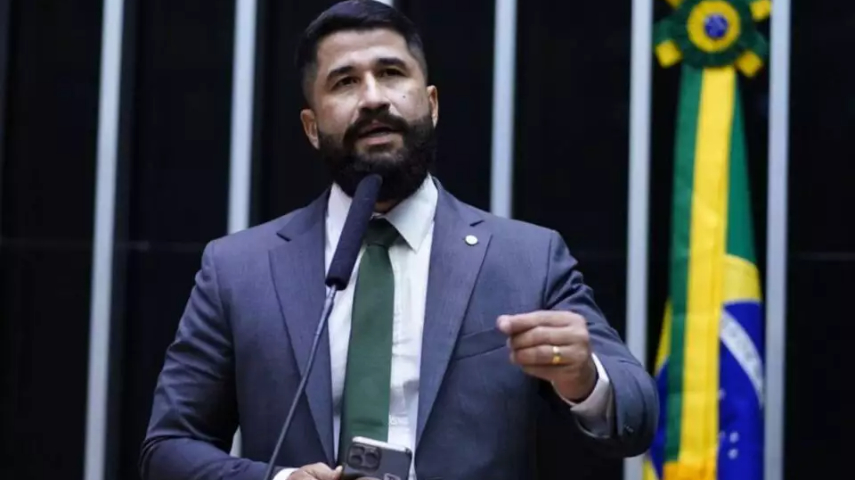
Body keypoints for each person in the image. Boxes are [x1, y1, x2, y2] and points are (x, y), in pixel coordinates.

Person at [139, 1, 658, 479]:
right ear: (311, 127)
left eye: (390, 73)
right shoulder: (239, 269)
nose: (372, 98)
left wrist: (584, 379)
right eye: (345, 82)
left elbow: (636, 417)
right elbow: (167, 448)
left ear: (431, 103)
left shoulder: (526, 258)